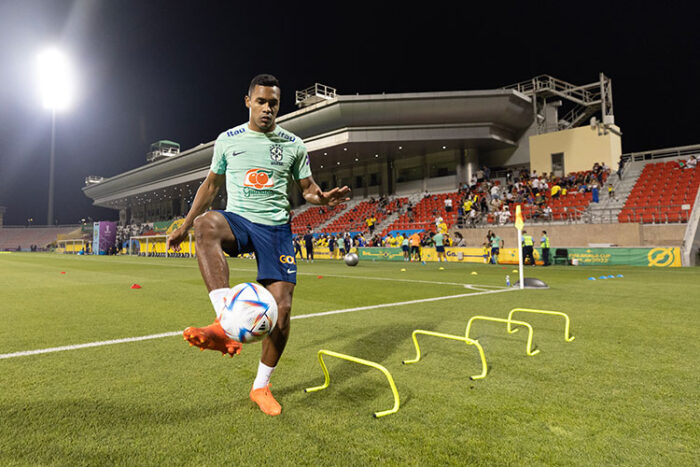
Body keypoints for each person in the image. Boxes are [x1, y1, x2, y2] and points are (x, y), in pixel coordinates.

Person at [166, 74, 350, 416]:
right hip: (239, 220)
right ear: (248, 101)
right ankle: (225, 322)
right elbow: (210, 186)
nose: (267, 108)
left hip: (276, 228)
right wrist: (185, 224)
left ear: (279, 106)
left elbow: (308, 188)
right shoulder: (228, 140)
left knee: (281, 312)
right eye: (261, 101)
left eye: (274, 103)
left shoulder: (293, 144)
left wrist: (321, 198)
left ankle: (261, 387)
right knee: (207, 225)